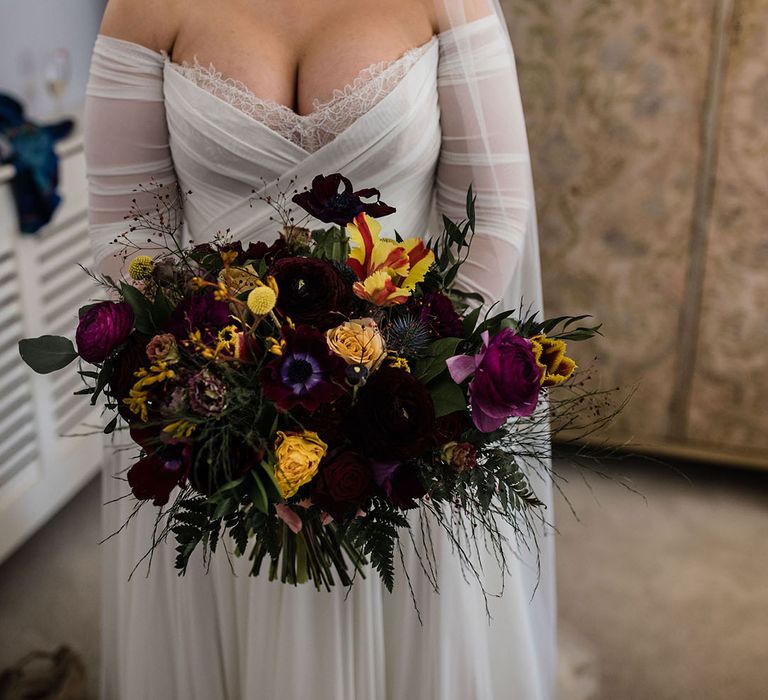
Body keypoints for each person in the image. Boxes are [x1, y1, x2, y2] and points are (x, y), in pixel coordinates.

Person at [84, 0, 556, 697]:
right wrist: (225, 395)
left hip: (402, 406)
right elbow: (132, 233)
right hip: (221, 416)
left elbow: (490, 217)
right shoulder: (145, 7)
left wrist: (407, 385)